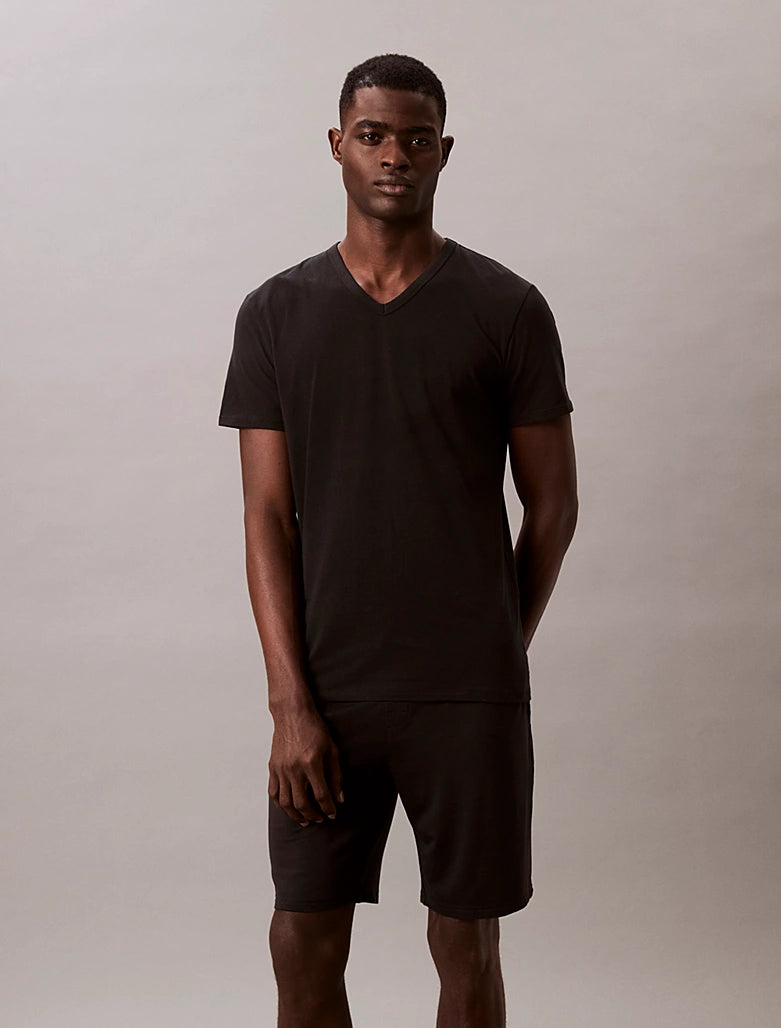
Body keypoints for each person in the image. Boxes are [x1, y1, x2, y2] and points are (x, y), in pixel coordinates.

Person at [218, 52, 578, 1028]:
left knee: (466, 943)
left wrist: (495, 646)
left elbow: (552, 505)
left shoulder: (505, 308)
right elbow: (264, 516)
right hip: (327, 689)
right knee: (301, 937)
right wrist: (289, 702)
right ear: (337, 145)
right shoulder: (276, 313)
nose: (394, 156)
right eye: (373, 136)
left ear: (443, 153)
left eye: (416, 140)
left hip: (469, 695)